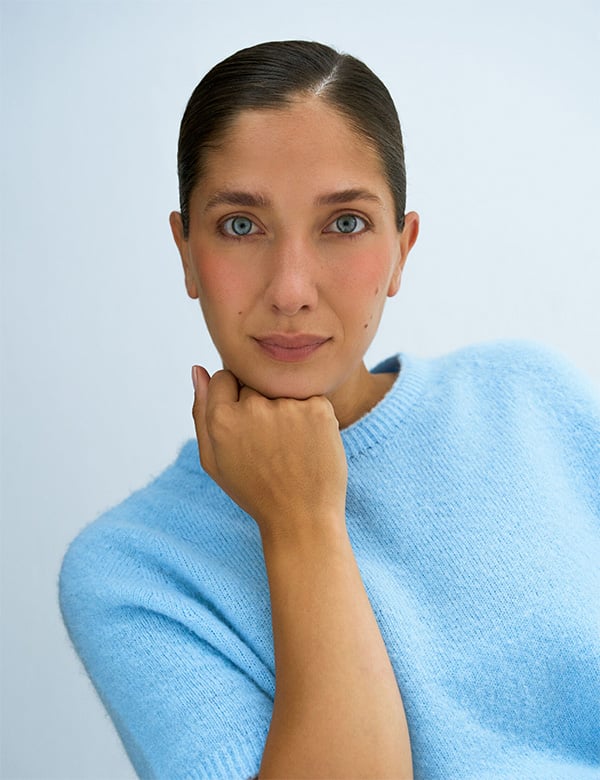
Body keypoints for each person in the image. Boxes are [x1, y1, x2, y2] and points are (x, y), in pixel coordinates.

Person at [59, 40, 600, 780]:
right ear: (185, 251)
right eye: (241, 225)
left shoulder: (530, 403)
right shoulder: (133, 573)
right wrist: (300, 522)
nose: (290, 289)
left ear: (402, 249)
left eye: (344, 223)